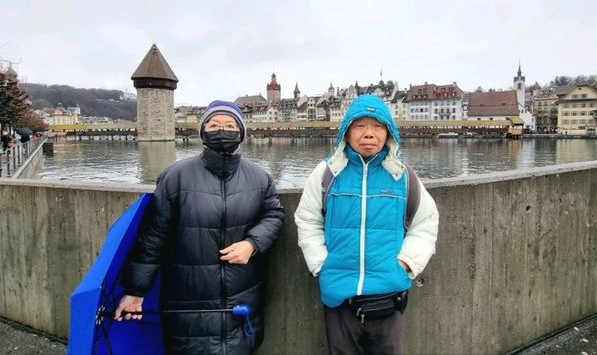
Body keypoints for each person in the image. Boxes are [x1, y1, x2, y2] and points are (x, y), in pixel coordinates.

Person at [115, 100, 284, 355]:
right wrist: (136, 291)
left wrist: (252, 244)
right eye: (214, 125)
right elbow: (153, 237)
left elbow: (274, 214)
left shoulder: (260, 177)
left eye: (229, 125)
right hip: (188, 301)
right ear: (203, 132)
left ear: (241, 132)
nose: (221, 130)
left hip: (242, 298)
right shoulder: (176, 176)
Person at [295, 94, 439, 355]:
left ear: (388, 132)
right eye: (360, 126)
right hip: (340, 296)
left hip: (389, 294)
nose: (369, 134)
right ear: (346, 132)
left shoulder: (403, 177)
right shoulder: (326, 174)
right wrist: (321, 264)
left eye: (378, 126)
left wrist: (406, 263)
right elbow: (307, 220)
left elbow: (426, 223)